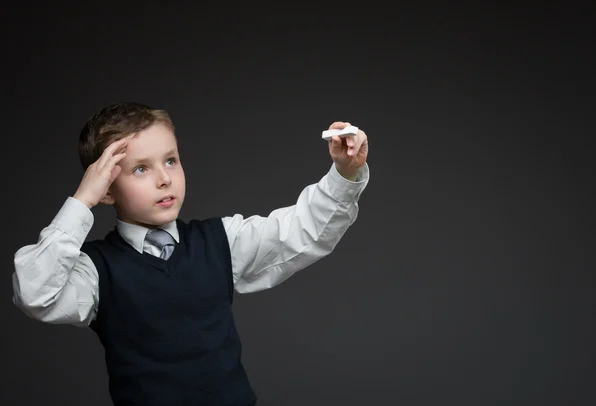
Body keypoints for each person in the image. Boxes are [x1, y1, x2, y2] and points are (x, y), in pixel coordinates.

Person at [12, 102, 370, 405]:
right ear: (105, 189)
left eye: (170, 160)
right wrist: (81, 202)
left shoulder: (220, 240)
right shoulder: (95, 270)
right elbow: (37, 293)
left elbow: (301, 231)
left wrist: (344, 172)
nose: (164, 179)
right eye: (141, 169)